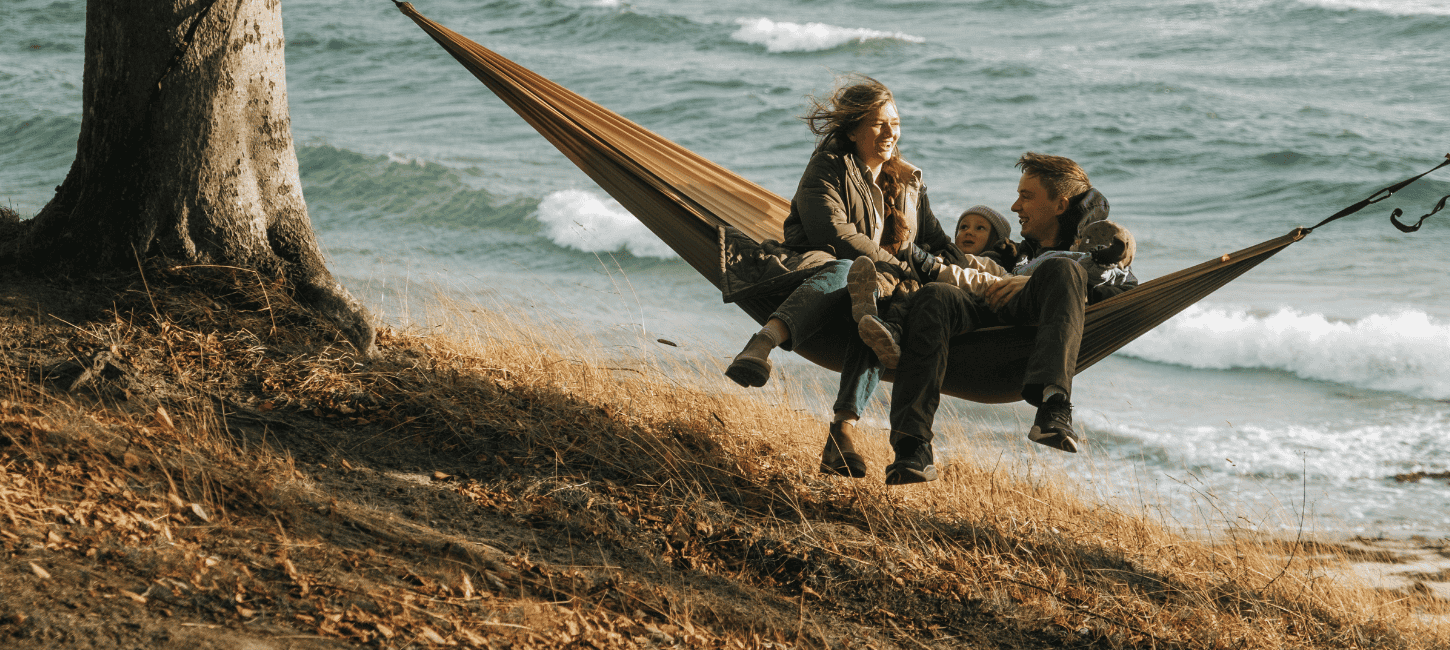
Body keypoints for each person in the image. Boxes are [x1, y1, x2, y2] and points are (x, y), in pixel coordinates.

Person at [722, 76, 956, 478]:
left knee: (874, 314)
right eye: (878, 124)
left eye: (895, 123)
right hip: (815, 273)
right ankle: (761, 345)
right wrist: (896, 266)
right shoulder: (827, 168)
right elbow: (833, 234)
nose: (890, 132)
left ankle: (841, 432)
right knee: (852, 271)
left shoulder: (908, 182)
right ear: (852, 130)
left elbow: (935, 241)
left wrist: (984, 270)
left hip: (877, 290)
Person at [868, 153, 1138, 485]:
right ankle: (912, 448)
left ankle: (1053, 407)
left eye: (1026, 196)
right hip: (988, 317)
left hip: (1035, 327)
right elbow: (961, 262)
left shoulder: (1087, 255)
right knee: (934, 295)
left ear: (1060, 205)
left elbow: (1124, 291)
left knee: (1062, 269)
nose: (1015, 206)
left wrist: (1036, 280)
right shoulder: (1010, 252)